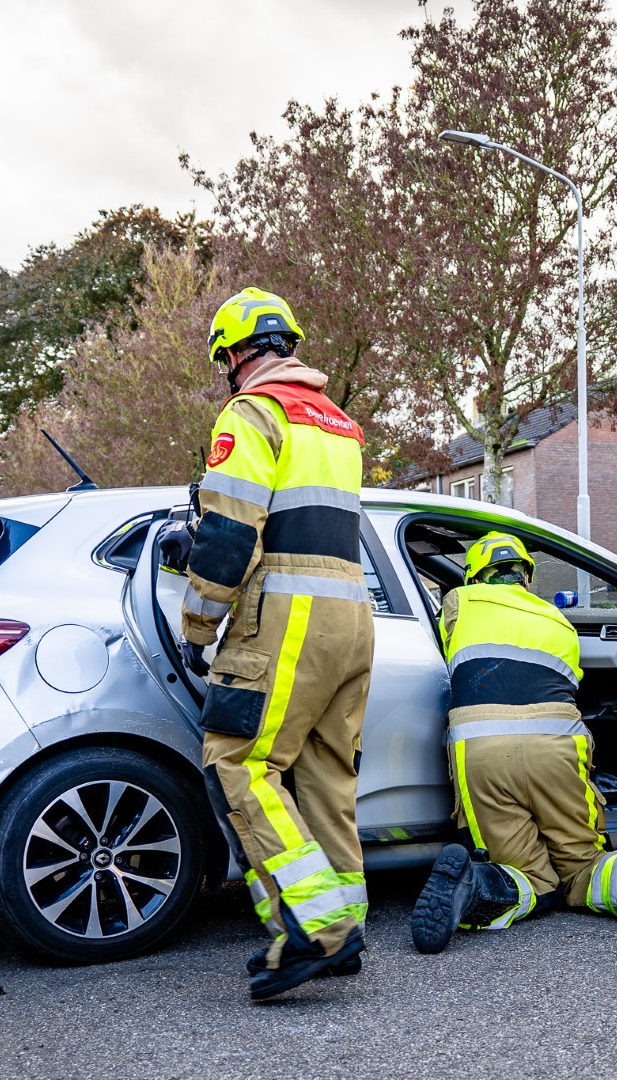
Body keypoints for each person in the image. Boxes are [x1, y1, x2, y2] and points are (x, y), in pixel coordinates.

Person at [180, 287, 375, 998]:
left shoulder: (251, 412)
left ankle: (315, 931)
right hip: (353, 619)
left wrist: (200, 628)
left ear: (233, 354)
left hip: (287, 616)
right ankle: (343, 927)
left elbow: (229, 531)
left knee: (238, 762)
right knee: (326, 777)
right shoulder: (339, 423)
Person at [409, 531, 617, 953]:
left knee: (527, 876)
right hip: (556, 747)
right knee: (583, 865)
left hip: (482, 750)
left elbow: (446, 652)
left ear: (474, 577)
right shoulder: (556, 619)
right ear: (526, 577)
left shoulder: (459, 603)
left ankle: (475, 885)